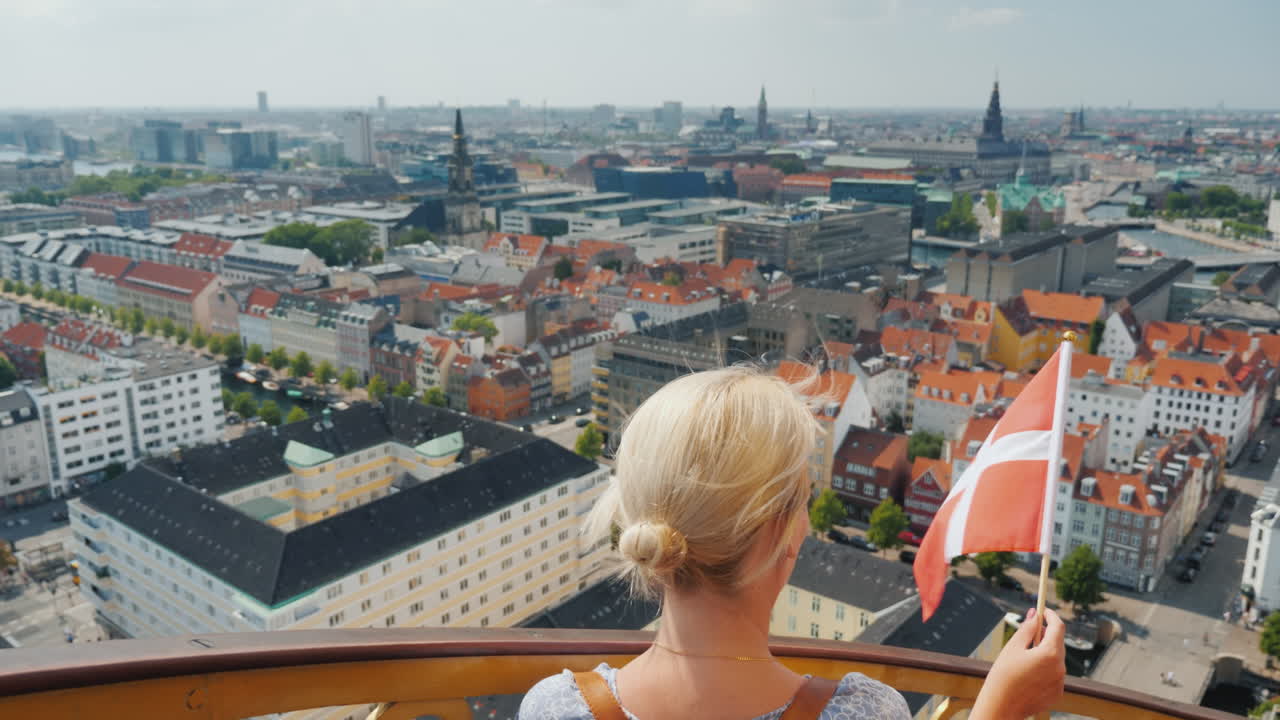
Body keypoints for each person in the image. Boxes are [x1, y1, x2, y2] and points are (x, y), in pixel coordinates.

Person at [519, 367, 1066, 720]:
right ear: (782, 530)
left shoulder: (554, 709)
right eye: (803, 497)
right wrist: (1001, 710)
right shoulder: (862, 716)